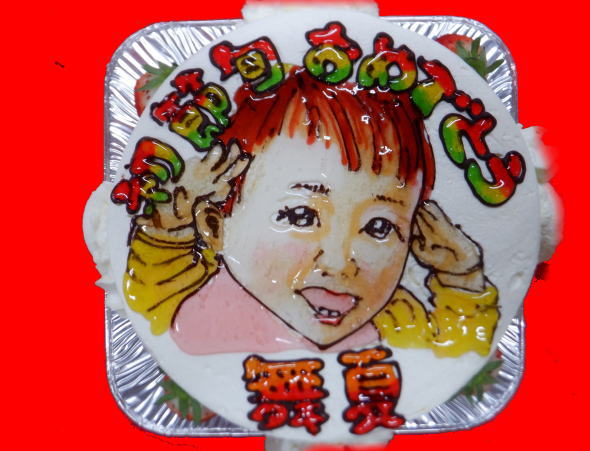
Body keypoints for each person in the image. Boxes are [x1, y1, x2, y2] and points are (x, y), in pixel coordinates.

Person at [123, 67, 499, 356]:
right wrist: (169, 228)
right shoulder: (193, 304)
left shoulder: (398, 320)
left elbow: (458, 352)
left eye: (379, 227)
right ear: (215, 226)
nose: (338, 263)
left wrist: (461, 277)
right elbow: (149, 297)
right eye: (301, 217)